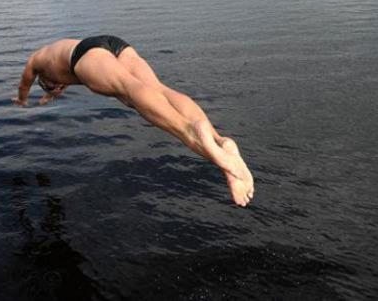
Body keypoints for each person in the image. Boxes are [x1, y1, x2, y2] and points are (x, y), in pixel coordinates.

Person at [13, 35, 255, 207]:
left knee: (131, 93)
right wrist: (47, 96)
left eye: (53, 87)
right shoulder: (51, 56)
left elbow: (24, 84)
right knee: (157, 90)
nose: (57, 89)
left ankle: (193, 134)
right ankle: (218, 139)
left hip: (86, 56)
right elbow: (54, 81)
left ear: (45, 81)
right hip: (111, 43)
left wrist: (22, 101)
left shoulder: (35, 62)